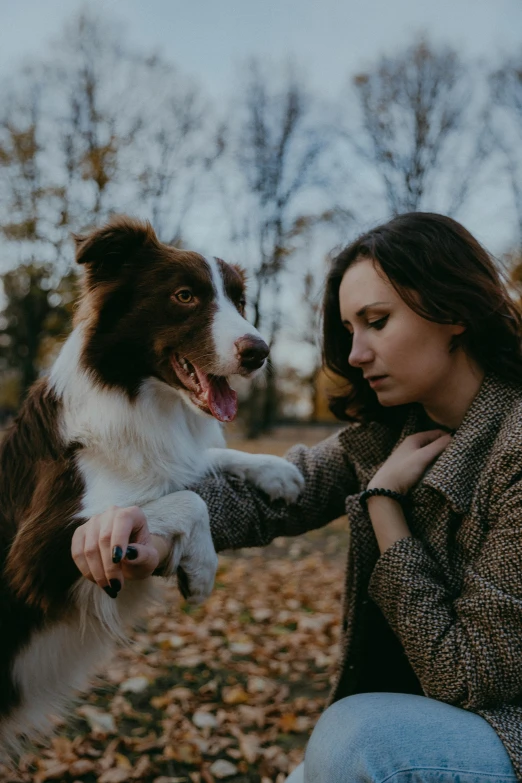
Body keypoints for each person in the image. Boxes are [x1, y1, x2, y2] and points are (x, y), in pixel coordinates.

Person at [72, 212, 522, 783]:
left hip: (501, 732)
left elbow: (467, 678)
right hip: (419, 728)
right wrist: (154, 530)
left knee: (357, 738)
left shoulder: (515, 449)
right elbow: (278, 494)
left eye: (377, 322)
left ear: (454, 313)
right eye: (349, 329)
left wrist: (384, 507)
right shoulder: (387, 432)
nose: (356, 354)